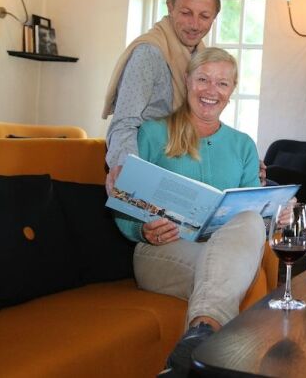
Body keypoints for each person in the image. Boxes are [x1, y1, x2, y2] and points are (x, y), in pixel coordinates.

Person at [113, 48, 265, 376]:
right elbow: (124, 209)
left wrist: (275, 215)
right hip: (160, 252)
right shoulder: (153, 133)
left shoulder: (243, 145)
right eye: (203, 79)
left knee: (251, 220)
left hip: (221, 254)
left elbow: (253, 217)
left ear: (232, 89)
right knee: (232, 272)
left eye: (222, 83)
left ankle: (196, 344)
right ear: (187, 81)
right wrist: (142, 229)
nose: (212, 90)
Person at [102, 0, 221, 193]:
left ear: (214, 16)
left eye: (205, 16)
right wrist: (129, 171)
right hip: (146, 170)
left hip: (181, 167)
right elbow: (124, 123)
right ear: (170, 6)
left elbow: (202, 125)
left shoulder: (202, 57)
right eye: (186, 13)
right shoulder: (149, 53)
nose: (195, 25)